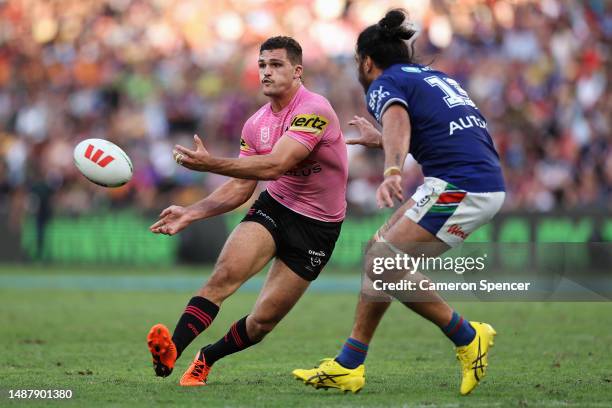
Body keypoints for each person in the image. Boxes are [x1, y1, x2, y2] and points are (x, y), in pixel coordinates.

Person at [292, 9, 506, 395]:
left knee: (382, 263)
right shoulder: (434, 76)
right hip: (467, 180)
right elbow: (433, 130)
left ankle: (466, 335)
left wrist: (391, 170)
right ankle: (349, 364)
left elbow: (400, 124)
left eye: (358, 62)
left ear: (367, 61)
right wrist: (384, 140)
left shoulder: (384, 83)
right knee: (379, 255)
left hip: (460, 185)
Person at [147, 36, 348, 386]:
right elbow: (244, 186)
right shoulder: (256, 124)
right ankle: (172, 352)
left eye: (276, 65)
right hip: (276, 207)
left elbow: (274, 165)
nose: (266, 72)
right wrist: (191, 213)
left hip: (318, 227)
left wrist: (211, 164)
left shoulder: (314, 110)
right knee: (222, 278)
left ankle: (207, 357)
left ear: (298, 71)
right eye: (262, 65)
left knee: (262, 322)